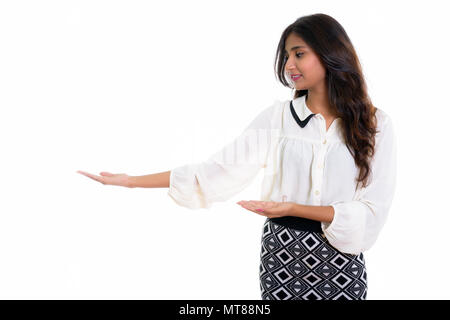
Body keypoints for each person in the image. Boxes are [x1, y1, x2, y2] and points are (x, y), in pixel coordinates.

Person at [77, 13, 397, 300]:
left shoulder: (375, 124)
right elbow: (214, 172)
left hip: (341, 259)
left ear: (331, 54)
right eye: (286, 56)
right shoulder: (278, 119)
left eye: (299, 54)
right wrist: (130, 181)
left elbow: (373, 210)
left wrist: (292, 208)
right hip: (283, 256)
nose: (288, 66)